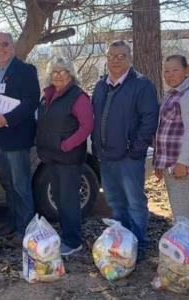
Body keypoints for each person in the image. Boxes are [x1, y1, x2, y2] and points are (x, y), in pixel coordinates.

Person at [91, 40, 159, 260]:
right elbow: (95, 118)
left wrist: (136, 147)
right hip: (106, 156)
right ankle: (122, 244)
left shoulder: (141, 85)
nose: (116, 60)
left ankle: (138, 246)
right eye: (111, 56)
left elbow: (150, 118)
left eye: (121, 56)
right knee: (115, 202)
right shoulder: (101, 86)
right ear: (106, 58)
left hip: (130, 157)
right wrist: (97, 146)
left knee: (135, 202)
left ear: (129, 58)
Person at [0, 32, 40, 244]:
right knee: (7, 183)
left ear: (13, 46)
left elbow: (31, 102)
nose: (0, 48)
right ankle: (13, 222)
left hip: (16, 137)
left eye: (4, 44)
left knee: (21, 185)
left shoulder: (25, 70)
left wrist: (6, 119)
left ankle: (25, 229)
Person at [36, 57, 93, 256]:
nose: (58, 75)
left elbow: (86, 126)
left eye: (63, 71)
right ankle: (66, 235)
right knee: (59, 199)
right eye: (55, 72)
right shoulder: (47, 96)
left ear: (71, 74)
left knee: (69, 200)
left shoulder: (78, 97)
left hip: (68, 158)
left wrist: (66, 145)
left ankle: (73, 241)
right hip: (51, 157)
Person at [154, 55, 189, 220]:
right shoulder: (170, 94)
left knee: (183, 216)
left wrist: (183, 162)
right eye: (166, 71)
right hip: (170, 165)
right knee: (179, 212)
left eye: (175, 70)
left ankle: (183, 244)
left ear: (186, 70)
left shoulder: (186, 95)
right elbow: (164, 130)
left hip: (182, 166)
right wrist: (159, 162)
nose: (170, 75)